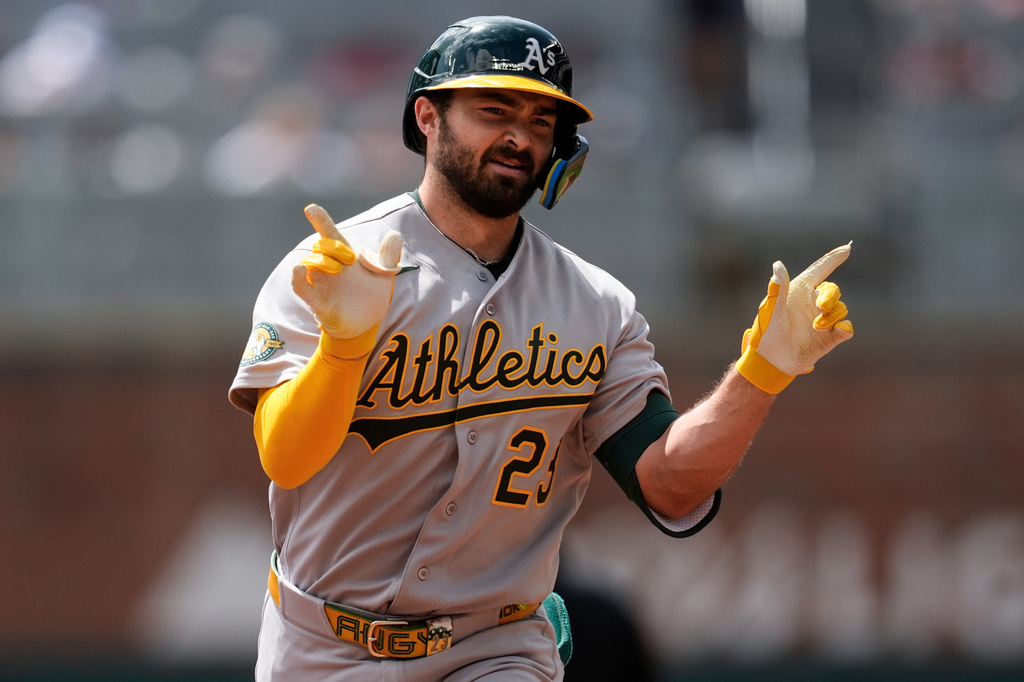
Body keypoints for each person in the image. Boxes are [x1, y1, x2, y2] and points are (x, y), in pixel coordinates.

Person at [228, 15, 854, 681]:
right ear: (428, 117)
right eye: (493, 109)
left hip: (495, 650)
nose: (518, 136)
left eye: (539, 120)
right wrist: (344, 349)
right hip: (322, 649)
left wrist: (761, 374)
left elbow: (669, 486)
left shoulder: (596, 305)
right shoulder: (335, 265)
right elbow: (286, 458)